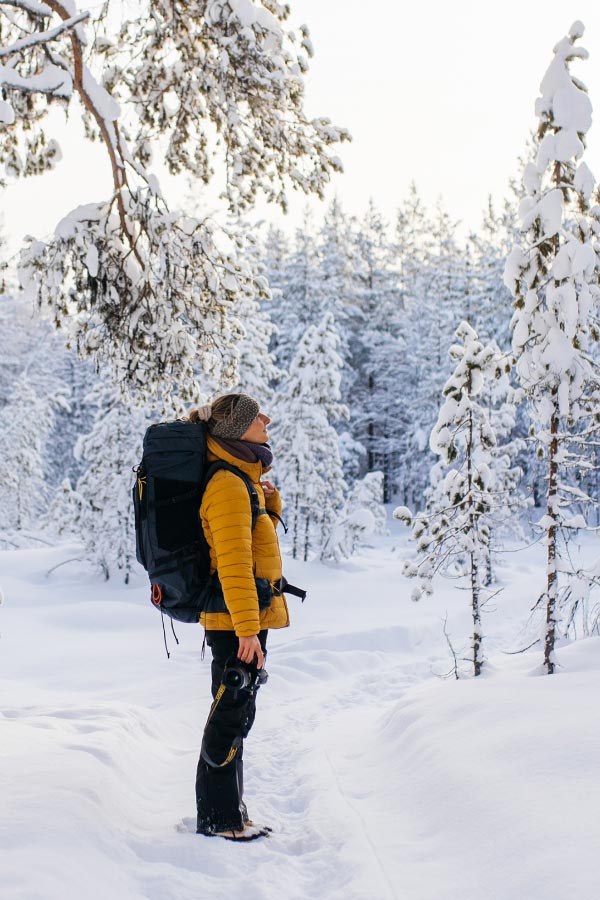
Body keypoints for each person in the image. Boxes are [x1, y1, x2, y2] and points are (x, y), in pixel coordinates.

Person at [189, 393, 289, 842]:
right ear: (234, 432)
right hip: (236, 623)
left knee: (236, 713)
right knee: (229, 716)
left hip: (243, 619)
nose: (265, 420)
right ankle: (220, 819)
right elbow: (232, 563)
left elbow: (252, 542)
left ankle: (229, 812)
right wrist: (248, 629)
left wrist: (268, 504)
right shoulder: (227, 484)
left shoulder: (240, 481)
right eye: (255, 417)